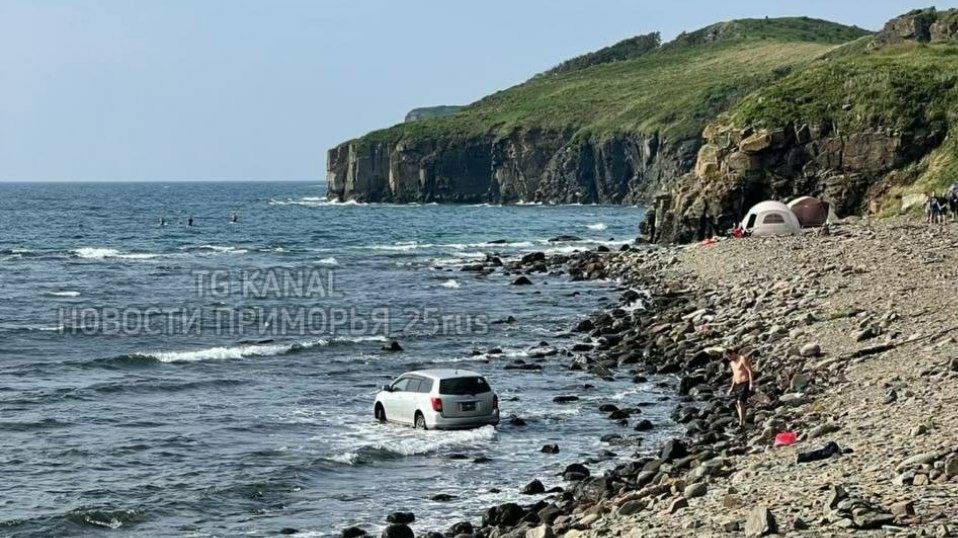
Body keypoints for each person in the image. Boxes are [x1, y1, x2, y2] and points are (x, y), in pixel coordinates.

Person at [725, 349, 755, 429]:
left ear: (733, 353)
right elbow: (734, 376)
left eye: (730, 356)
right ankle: (743, 421)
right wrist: (731, 388)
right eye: (728, 357)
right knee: (737, 404)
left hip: (745, 382)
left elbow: (750, 371)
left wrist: (751, 384)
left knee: (740, 402)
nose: (729, 358)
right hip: (738, 385)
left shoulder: (742, 359)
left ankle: (741, 423)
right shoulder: (731, 363)